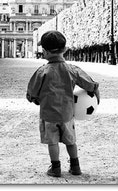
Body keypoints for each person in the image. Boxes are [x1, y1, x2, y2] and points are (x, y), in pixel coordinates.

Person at [26, 30, 100, 177]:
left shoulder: (42, 71)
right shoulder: (72, 69)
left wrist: (35, 100)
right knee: (71, 141)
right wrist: (97, 97)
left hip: (48, 115)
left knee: (52, 142)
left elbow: (31, 93)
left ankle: (55, 168)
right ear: (65, 50)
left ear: (45, 52)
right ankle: (75, 166)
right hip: (67, 113)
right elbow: (91, 85)